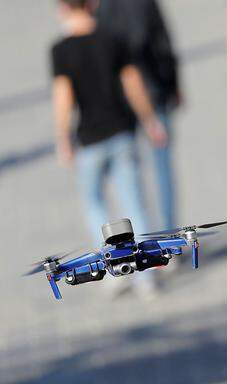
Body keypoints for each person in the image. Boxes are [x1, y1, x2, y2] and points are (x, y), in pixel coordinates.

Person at [51, 0, 166, 296]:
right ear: (92, 5)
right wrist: (150, 120)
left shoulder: (61, 50)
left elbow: (63, 98)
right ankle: (145, 274)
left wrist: (63, 139)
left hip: (89, 138)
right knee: (133, 201)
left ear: (63, 9)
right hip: (122, 130)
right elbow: (133, 82)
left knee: (94, 203)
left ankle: (113, 270)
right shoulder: (112, 38)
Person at [95, 0, 180, 231]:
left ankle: (143, 235)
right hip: (154, 92)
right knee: (162, 169)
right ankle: (167, 232)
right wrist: (173, 84)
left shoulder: (102, 8)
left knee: (129, 177)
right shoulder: (144, 3)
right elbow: (163, 42)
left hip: (120, 102)